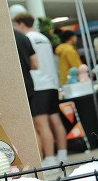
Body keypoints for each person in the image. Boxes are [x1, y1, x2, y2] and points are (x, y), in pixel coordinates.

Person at [13, 13, 68, 166]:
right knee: (55, 120)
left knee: (41, 124)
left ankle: (49, 159)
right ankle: (63, 155)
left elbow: (34, 64)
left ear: (21, 24)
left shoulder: (26, 38)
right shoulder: (44, 38)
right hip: (51, 82)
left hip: (38, 84)